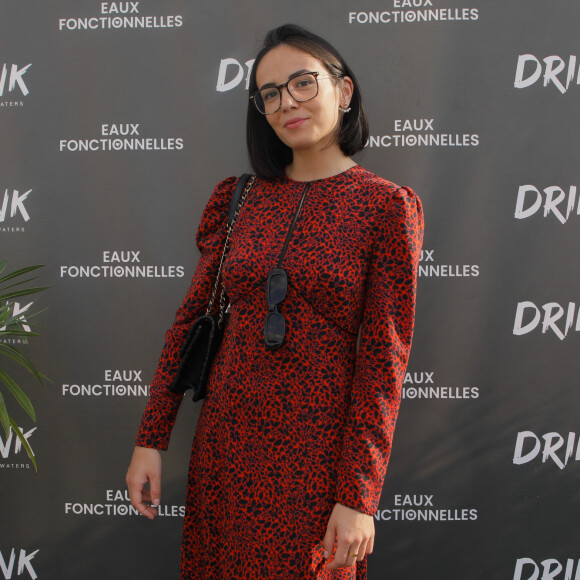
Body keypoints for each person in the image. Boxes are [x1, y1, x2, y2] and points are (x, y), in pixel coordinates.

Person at [126, 23, 424, 580]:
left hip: (318, 460)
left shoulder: (386, 208)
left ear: (345, 90)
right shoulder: (238, 200)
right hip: (225, 447)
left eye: (303, 83)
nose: (287, 102)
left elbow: (385, 361)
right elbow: (190, 319)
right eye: (269, 94)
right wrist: (151, 437)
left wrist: (359, 496)